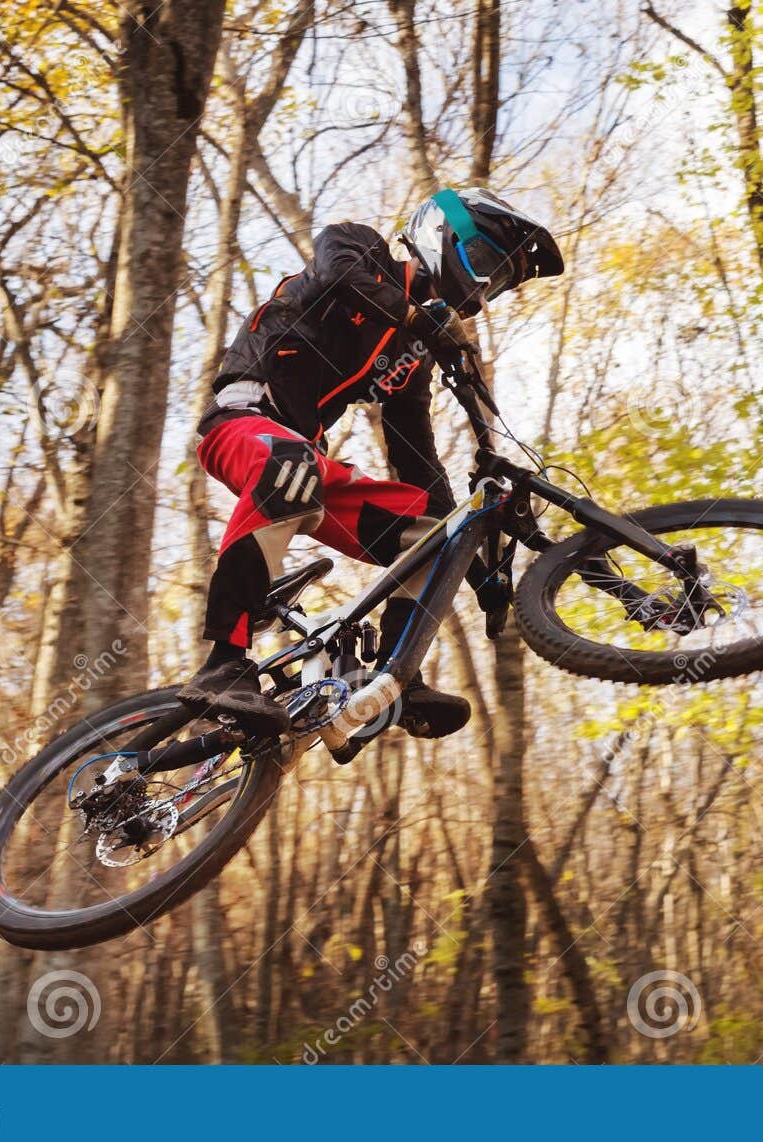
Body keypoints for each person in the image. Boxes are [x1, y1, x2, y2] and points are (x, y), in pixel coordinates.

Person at [178, 187, 565, 738]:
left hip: (303, 463)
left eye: (496, 282)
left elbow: (420, 467)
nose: (480, 291)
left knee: (436, 534)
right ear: (441, 237)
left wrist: (474, 565)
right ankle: (222, 664)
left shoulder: (410, 360)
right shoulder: (359, 248)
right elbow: (337, 274)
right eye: (482, 265)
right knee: (292, 465)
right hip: (243, 423)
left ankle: (393, 678)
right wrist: (416, 318)